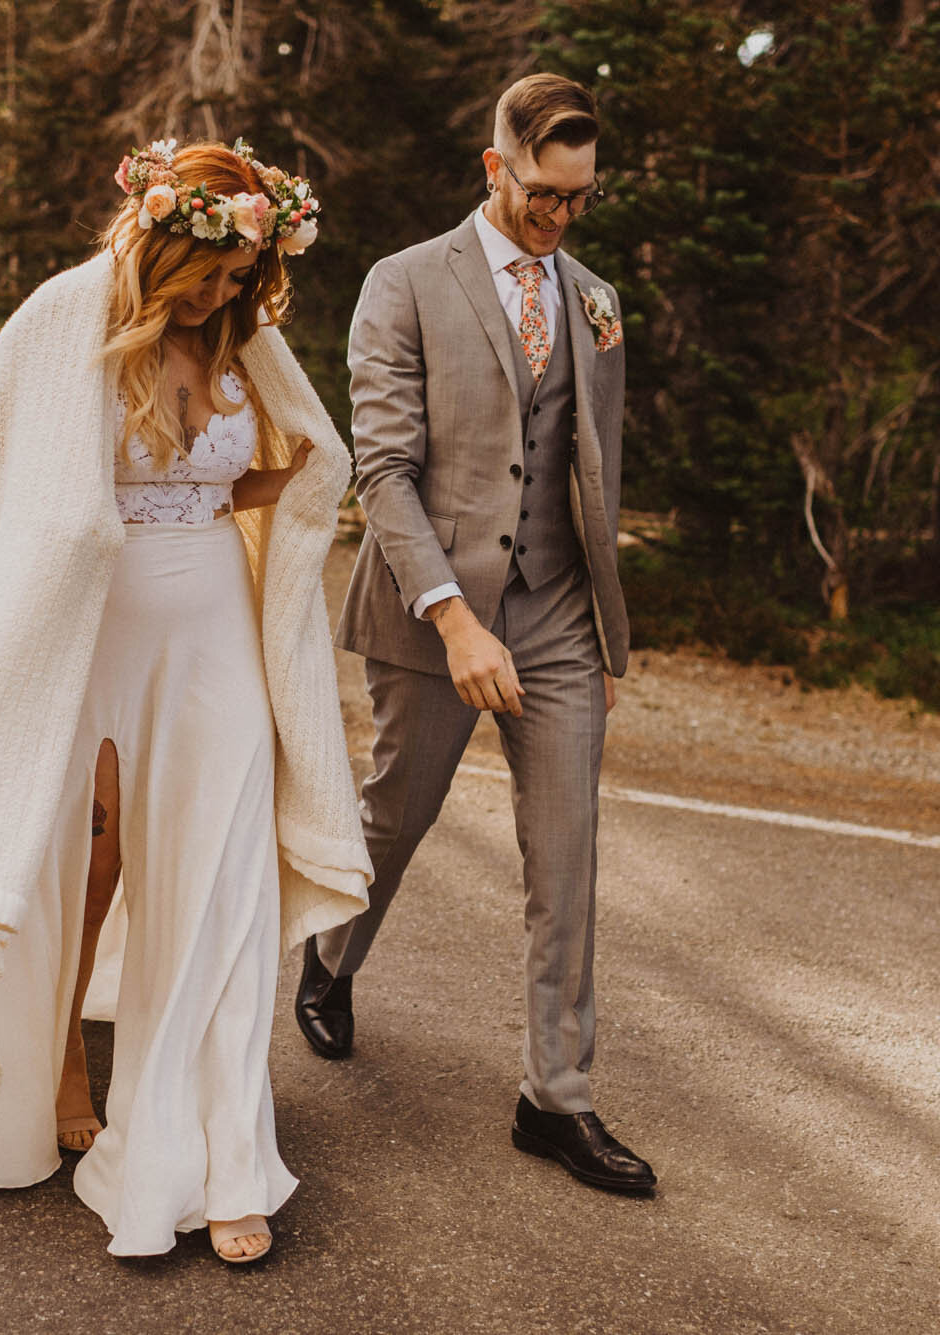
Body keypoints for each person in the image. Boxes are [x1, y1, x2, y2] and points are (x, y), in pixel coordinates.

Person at [0, 138, 372, 1263]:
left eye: (243, 279)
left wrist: (284, 482)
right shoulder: (65, 322)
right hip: (87, 629)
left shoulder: (242, 342)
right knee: (73, 861)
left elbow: (254, 469)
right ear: (165, 239)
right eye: (212, 274)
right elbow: (11, 486)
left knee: (213, 883)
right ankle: (51, 1066)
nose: (225, 297)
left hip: (214, 628)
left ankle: (216, 1159)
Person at [298, 74, 656, 1195]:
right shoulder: (401, 283)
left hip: (554, 619)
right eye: (542, 194)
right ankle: (330, 956)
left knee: (566, 858)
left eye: (579, 200)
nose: (558, 219)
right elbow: (385, 472)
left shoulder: (593, 300)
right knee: (395, 816)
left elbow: (592, 478)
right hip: (433, 610)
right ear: (492, 168)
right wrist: (452, 621)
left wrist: (601, 644)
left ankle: (556, 1098)